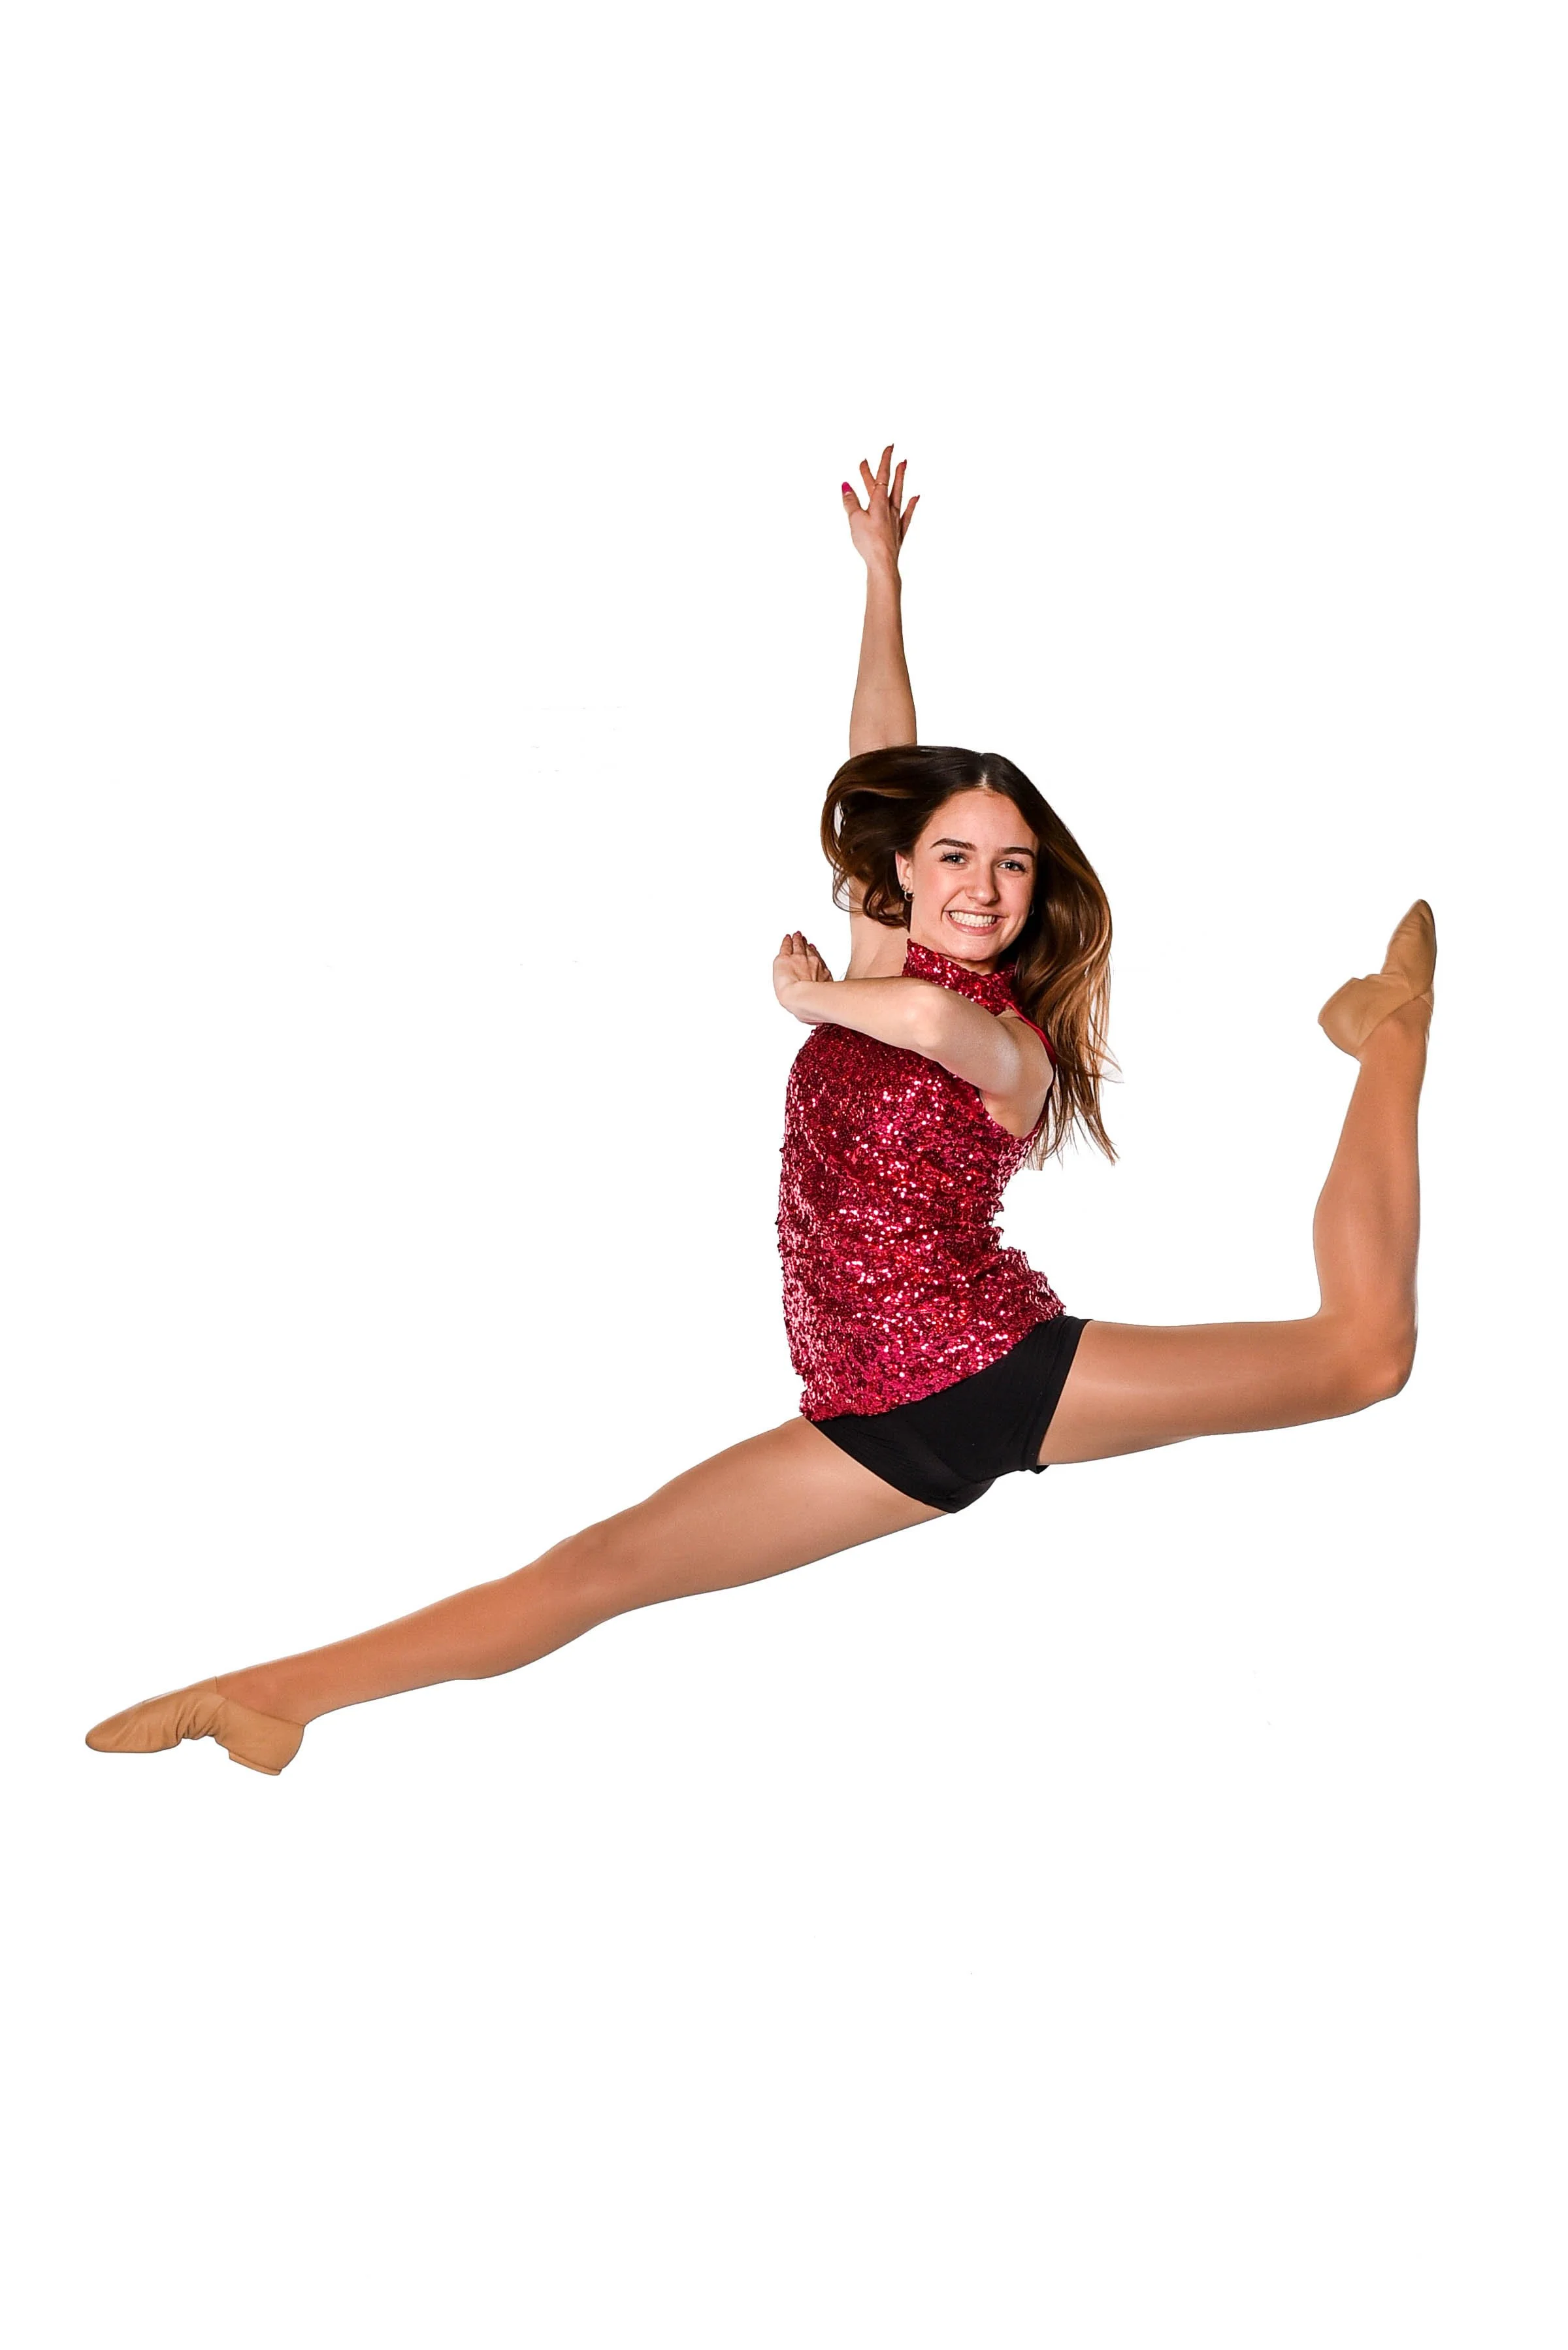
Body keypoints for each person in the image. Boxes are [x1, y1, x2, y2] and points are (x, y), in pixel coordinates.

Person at [85, 444, 1435, 1778]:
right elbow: (882, 751)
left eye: (1014, 866)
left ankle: (1390, 1035)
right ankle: (270, 1697)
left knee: (1363, 1355)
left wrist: (810, 1003)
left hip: (990, 1370)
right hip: (858, 1412)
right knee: (599, 1565)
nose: (985, 885)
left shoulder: (1002, 1040)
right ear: (898, 868)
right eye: (953, 855)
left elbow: (924, 1023)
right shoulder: (881, 947)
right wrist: (882, 580)